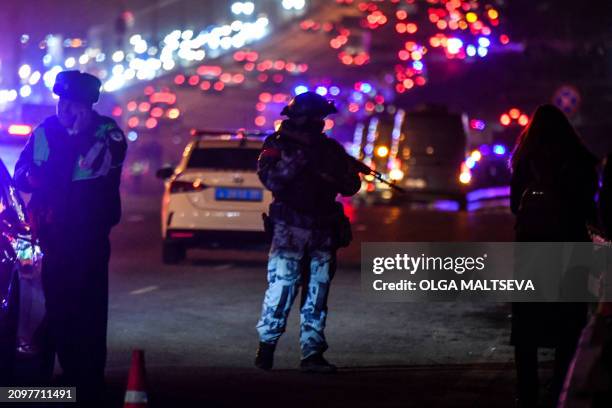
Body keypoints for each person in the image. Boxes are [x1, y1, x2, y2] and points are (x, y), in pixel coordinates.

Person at [14, 70, 126, 405]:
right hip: (50, 234)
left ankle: (87, 379)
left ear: (89, 105)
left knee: (88, 309)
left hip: (88, 237)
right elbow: (21, 174)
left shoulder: (107, 134)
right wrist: (31, 178)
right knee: (52, 306)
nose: (66, 109)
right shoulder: (45, 131)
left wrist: (79, 135)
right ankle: (49, 378)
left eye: (74, 103)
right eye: (62, 101)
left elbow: (105, 164)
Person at [254, 92, 361, 373]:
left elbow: (350, 186)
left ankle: (312, 353)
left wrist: (334, 171)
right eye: (316, 118)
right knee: (282, 288)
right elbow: (271, 179)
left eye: (321, 119)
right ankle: (266, 347)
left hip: (322, 229)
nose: (320, 123)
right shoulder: (277, 145)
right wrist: (300, 159)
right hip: (289, 227)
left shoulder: (331, 149)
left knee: (317, 294)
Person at [509, 104, 598, 407]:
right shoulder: (580, 159)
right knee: (568, 323)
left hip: (532, 249)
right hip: (570, 248)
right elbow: (588, 208)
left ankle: (527, 391)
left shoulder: (524, 158)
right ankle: (561, 384)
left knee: (526, 326)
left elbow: (514, 206)